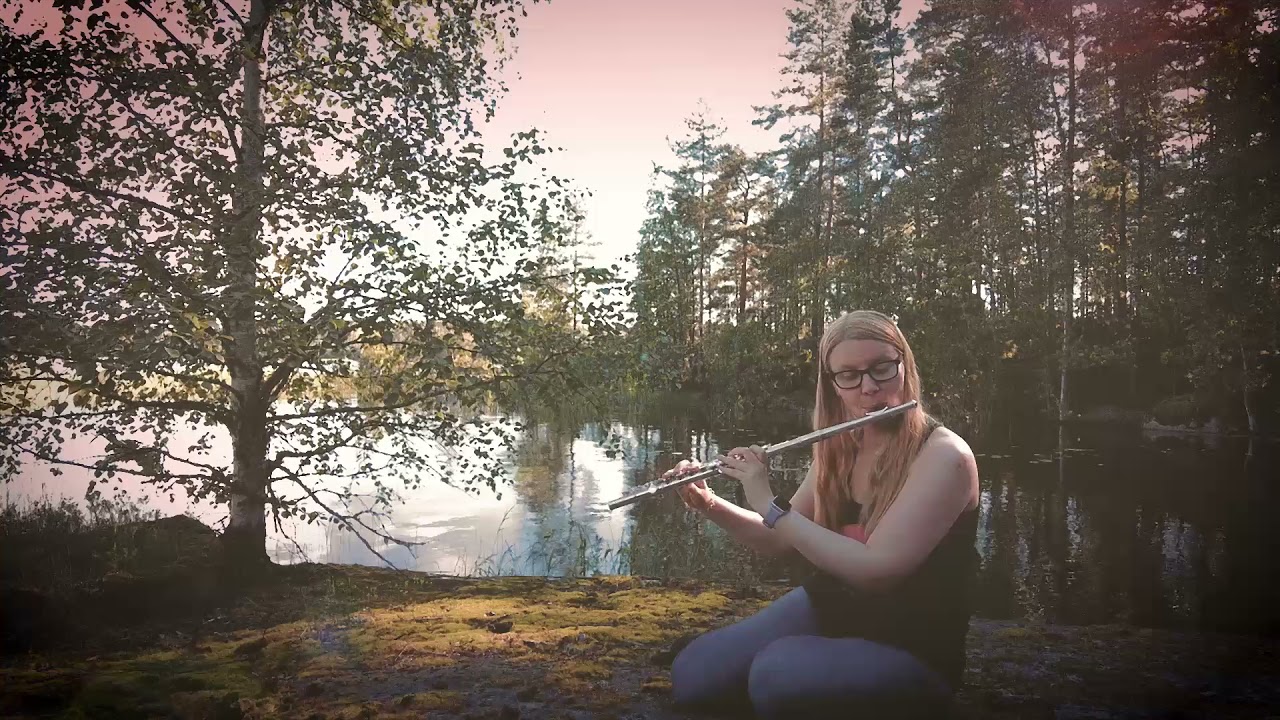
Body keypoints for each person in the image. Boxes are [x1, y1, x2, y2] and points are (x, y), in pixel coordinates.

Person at [667, 310, 980, 719]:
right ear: (832, 385)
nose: (868, 387)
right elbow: (780, 537)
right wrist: (708, 502)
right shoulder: (840, 447)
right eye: (849, 375)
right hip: (833, 609)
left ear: (905, 365)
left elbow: (876, 570)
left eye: (882, 368)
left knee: (776, 675)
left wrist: (768, 501)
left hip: (912, 643)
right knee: (694, 675)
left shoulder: (945, 457)